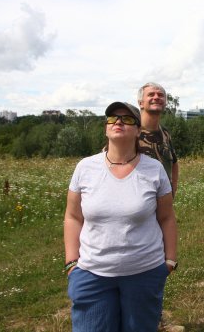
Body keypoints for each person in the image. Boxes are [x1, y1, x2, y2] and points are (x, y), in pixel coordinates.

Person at [64, 101, 178, 332]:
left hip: (144, 272)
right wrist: (71, 262)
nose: (118, 122)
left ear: (137, 130)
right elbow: (73, 216)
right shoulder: (85, 168)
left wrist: (170, 261)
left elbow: (167, 217)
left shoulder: (154, 169)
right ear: (106, 127)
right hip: (92, 274)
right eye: (112, 118)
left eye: (127, 119)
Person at [137, 82, 179, 196]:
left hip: (164, 204)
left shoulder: (165, 133)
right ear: (141, 103)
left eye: (160, 95)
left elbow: (174, 163)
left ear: (165, 102)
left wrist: (173, 190)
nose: (156, 97)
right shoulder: (131, 132)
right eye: (151, 95)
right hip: (139, 205)